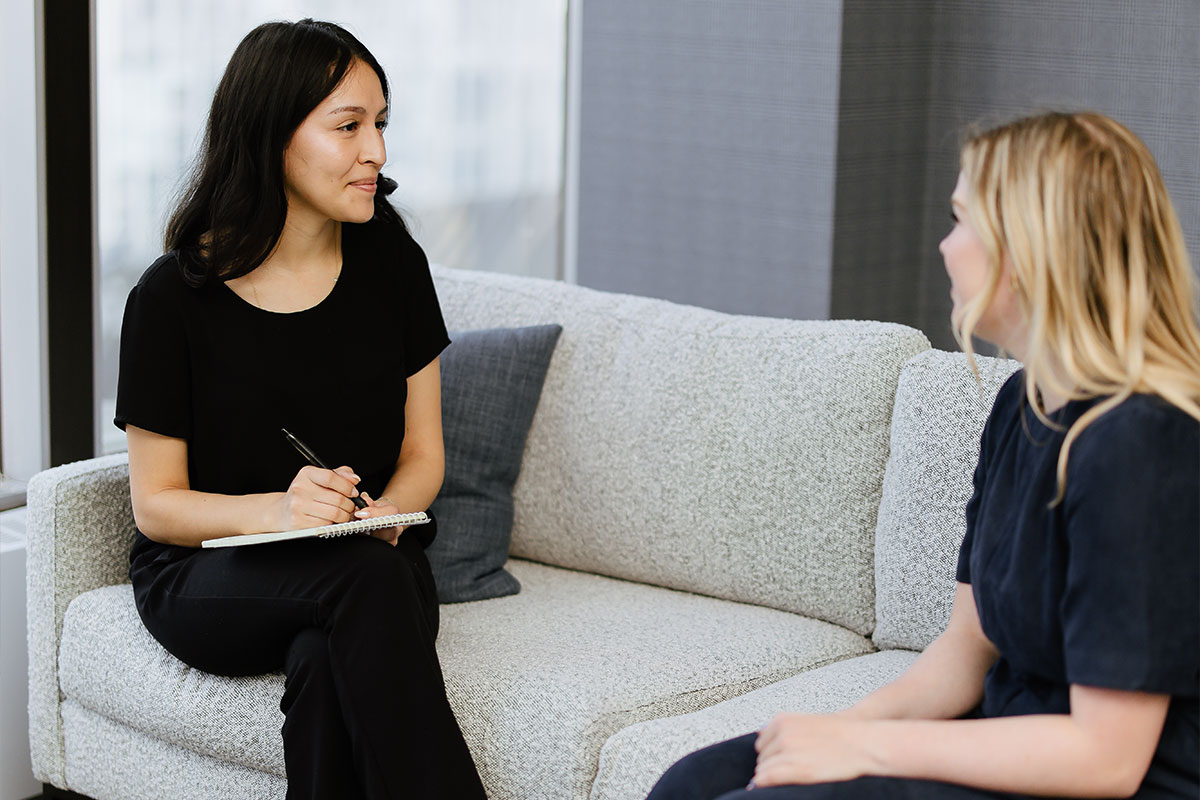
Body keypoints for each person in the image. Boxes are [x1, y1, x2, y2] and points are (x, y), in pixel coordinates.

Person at [646, 111, 1200, 799]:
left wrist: (868, 745)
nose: (944, 245)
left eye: (960, 218)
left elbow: (1105, 760)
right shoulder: (1018, 408)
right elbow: (963, 657)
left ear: (1030, 250)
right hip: (1003, 734)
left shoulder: (1142, 444)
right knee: (696, 782)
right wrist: (835, 734)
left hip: (1093, 781)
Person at [114, 19, 487, 800]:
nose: (376, 152)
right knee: (364, 586)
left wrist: (388, 514)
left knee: (327, 656)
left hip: (371, 559)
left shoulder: (391, 258)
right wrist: (280, 512)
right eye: (347, 127)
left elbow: (423, 456)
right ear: (271, 136)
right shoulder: (170, 299)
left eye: (380, 124)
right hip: (210, 571)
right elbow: (156, 507)